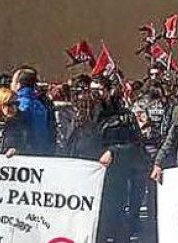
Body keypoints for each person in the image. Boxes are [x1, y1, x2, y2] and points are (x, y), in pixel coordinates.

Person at [64, 76, 140, 243]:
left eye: (99, 90)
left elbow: (136, 147)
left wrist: (113, 152)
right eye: (92, 90)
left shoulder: (124, 117)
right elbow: (69, 147)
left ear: (108, 91)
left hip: (113, 181)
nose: (95, 94)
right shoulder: (81, 117)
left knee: (113, 226)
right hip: (86, 184)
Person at [13, 70, 54, 155]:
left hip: (27, 152)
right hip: (41, 150)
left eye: (13, 81)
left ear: (18, 84)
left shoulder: (20, 104)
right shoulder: (40, 104)